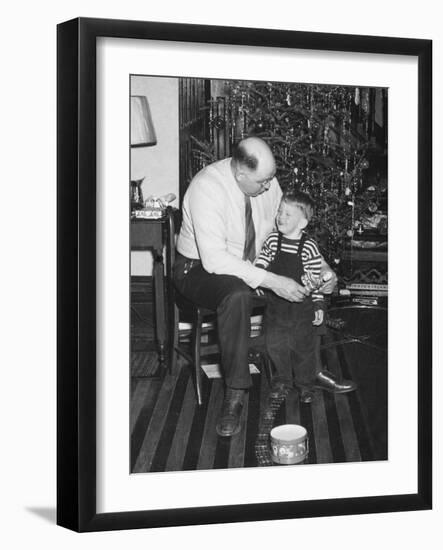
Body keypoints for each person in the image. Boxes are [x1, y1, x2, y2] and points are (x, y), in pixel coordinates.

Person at [174, 137, 346, 438]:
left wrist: (323, 269)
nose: (269, 187)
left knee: (304, 283)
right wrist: (274, 281)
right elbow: (215, 261)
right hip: (198, 268)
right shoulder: (206, 189)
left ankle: (309, 367)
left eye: (271, 178)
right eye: (263, 181)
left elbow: (286, 231)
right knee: (237, 295)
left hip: (254, 261)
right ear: (240, 174)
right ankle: (236, 391)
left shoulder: (266, 181)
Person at [255, 190, 356, 404]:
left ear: (302, 223)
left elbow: (316, 279)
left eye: (287, 214)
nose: (280, 217)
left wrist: (318, 304)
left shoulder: (308, 247)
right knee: (276, 346)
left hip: (302, 309)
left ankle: (305, 385)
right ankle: (282, 381)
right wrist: (259, 280)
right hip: (276, 307)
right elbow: (261, 264)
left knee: (304, 348)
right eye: (280, 212)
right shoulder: (273, 241)